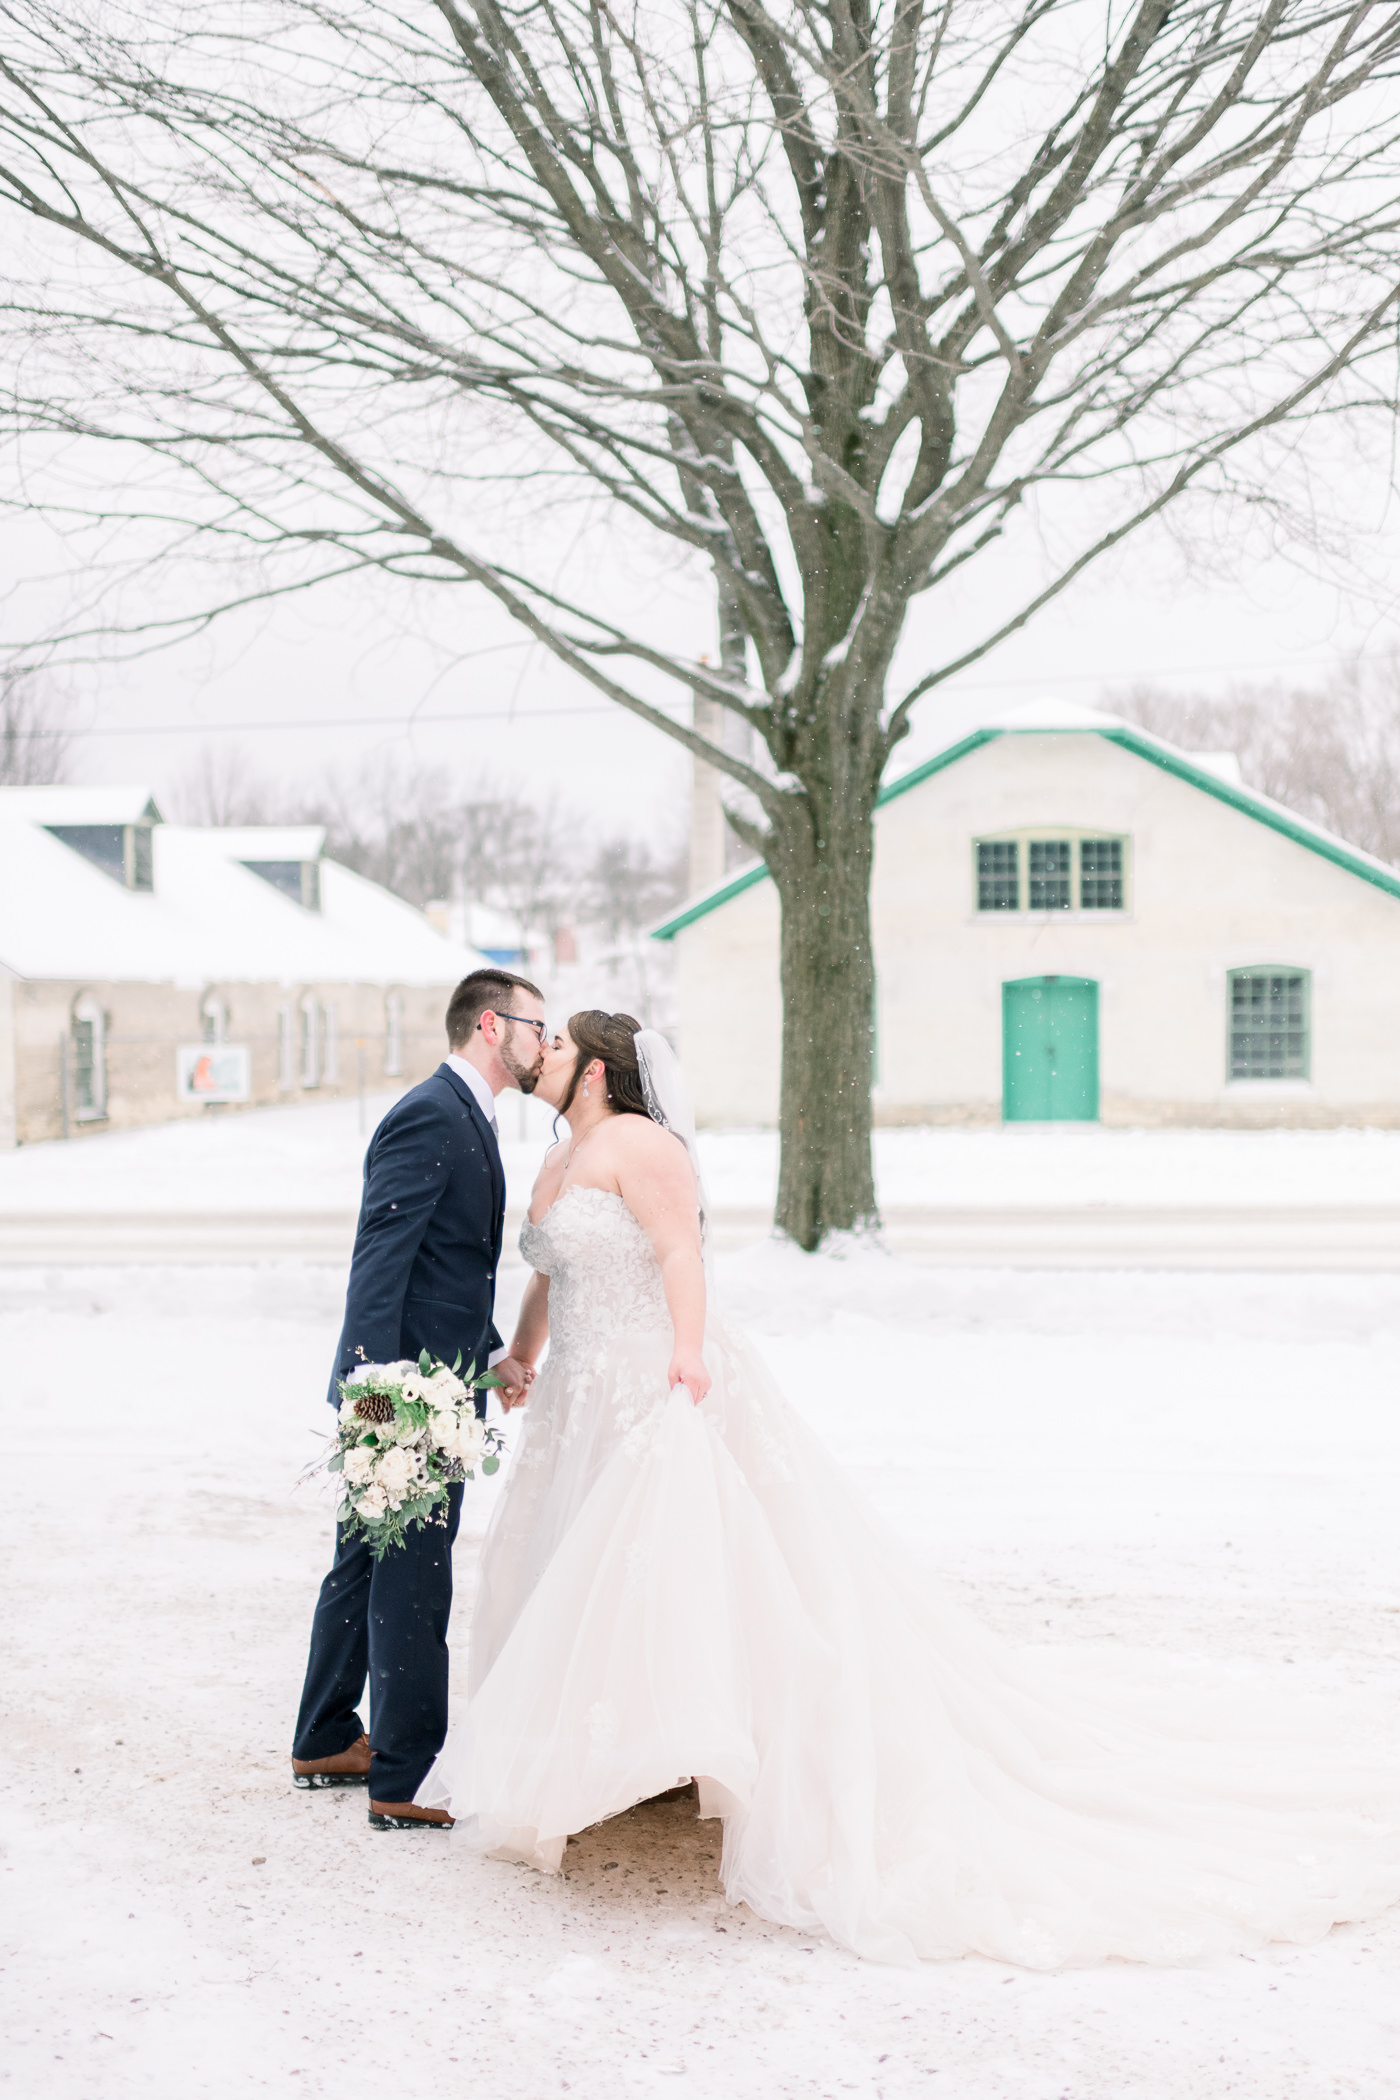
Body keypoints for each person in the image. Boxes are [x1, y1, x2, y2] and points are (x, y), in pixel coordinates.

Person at [418, 1010, 1400, 1967]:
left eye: (557, 1043)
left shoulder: (641, 1144)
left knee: (679, 1567)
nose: (539, 1053)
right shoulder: (552, 1157)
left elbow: (679, 1251)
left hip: (648, 1383)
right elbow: (554, 1271)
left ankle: (704, 1747)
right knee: (582, 1572)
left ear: (595, 1067)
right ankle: (613, 1750)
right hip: (577, 1401)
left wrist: (684, 1357)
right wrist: (521, 1352)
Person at [290, 968, 545, 1829]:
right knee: (414, 1576)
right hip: (404, 1396)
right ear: (489, 1025)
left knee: (365, 1556)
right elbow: (381, 1265)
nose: (543, 1044)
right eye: (535, 1027)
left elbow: (446, 1272)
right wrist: (378, 1401)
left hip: (426, 1377)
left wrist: (494, 1356)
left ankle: (326, 1735)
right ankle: (406, 1776)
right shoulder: (431, 1113)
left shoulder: (465, 1115)